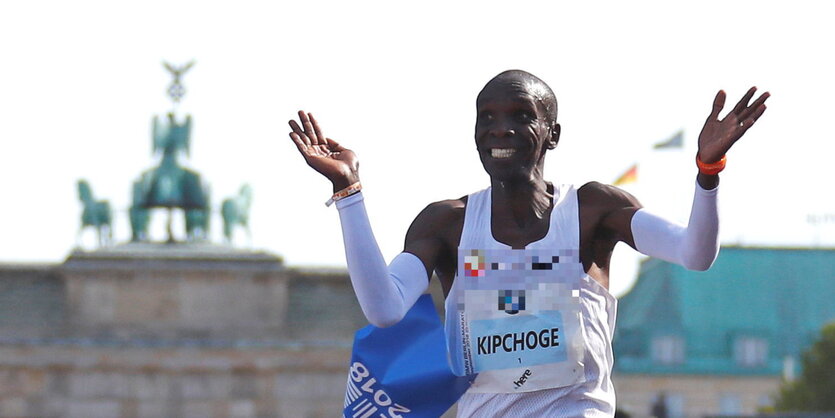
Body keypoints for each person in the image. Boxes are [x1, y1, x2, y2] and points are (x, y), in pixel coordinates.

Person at [287, 70, 768, 416]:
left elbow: (695, 255)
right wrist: (347, 192)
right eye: (488, 117)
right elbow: (384, 308)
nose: (501, 129)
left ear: (552, 134)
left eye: (521, 115)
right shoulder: (446, 224)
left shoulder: (593, 209)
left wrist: (708, 172)